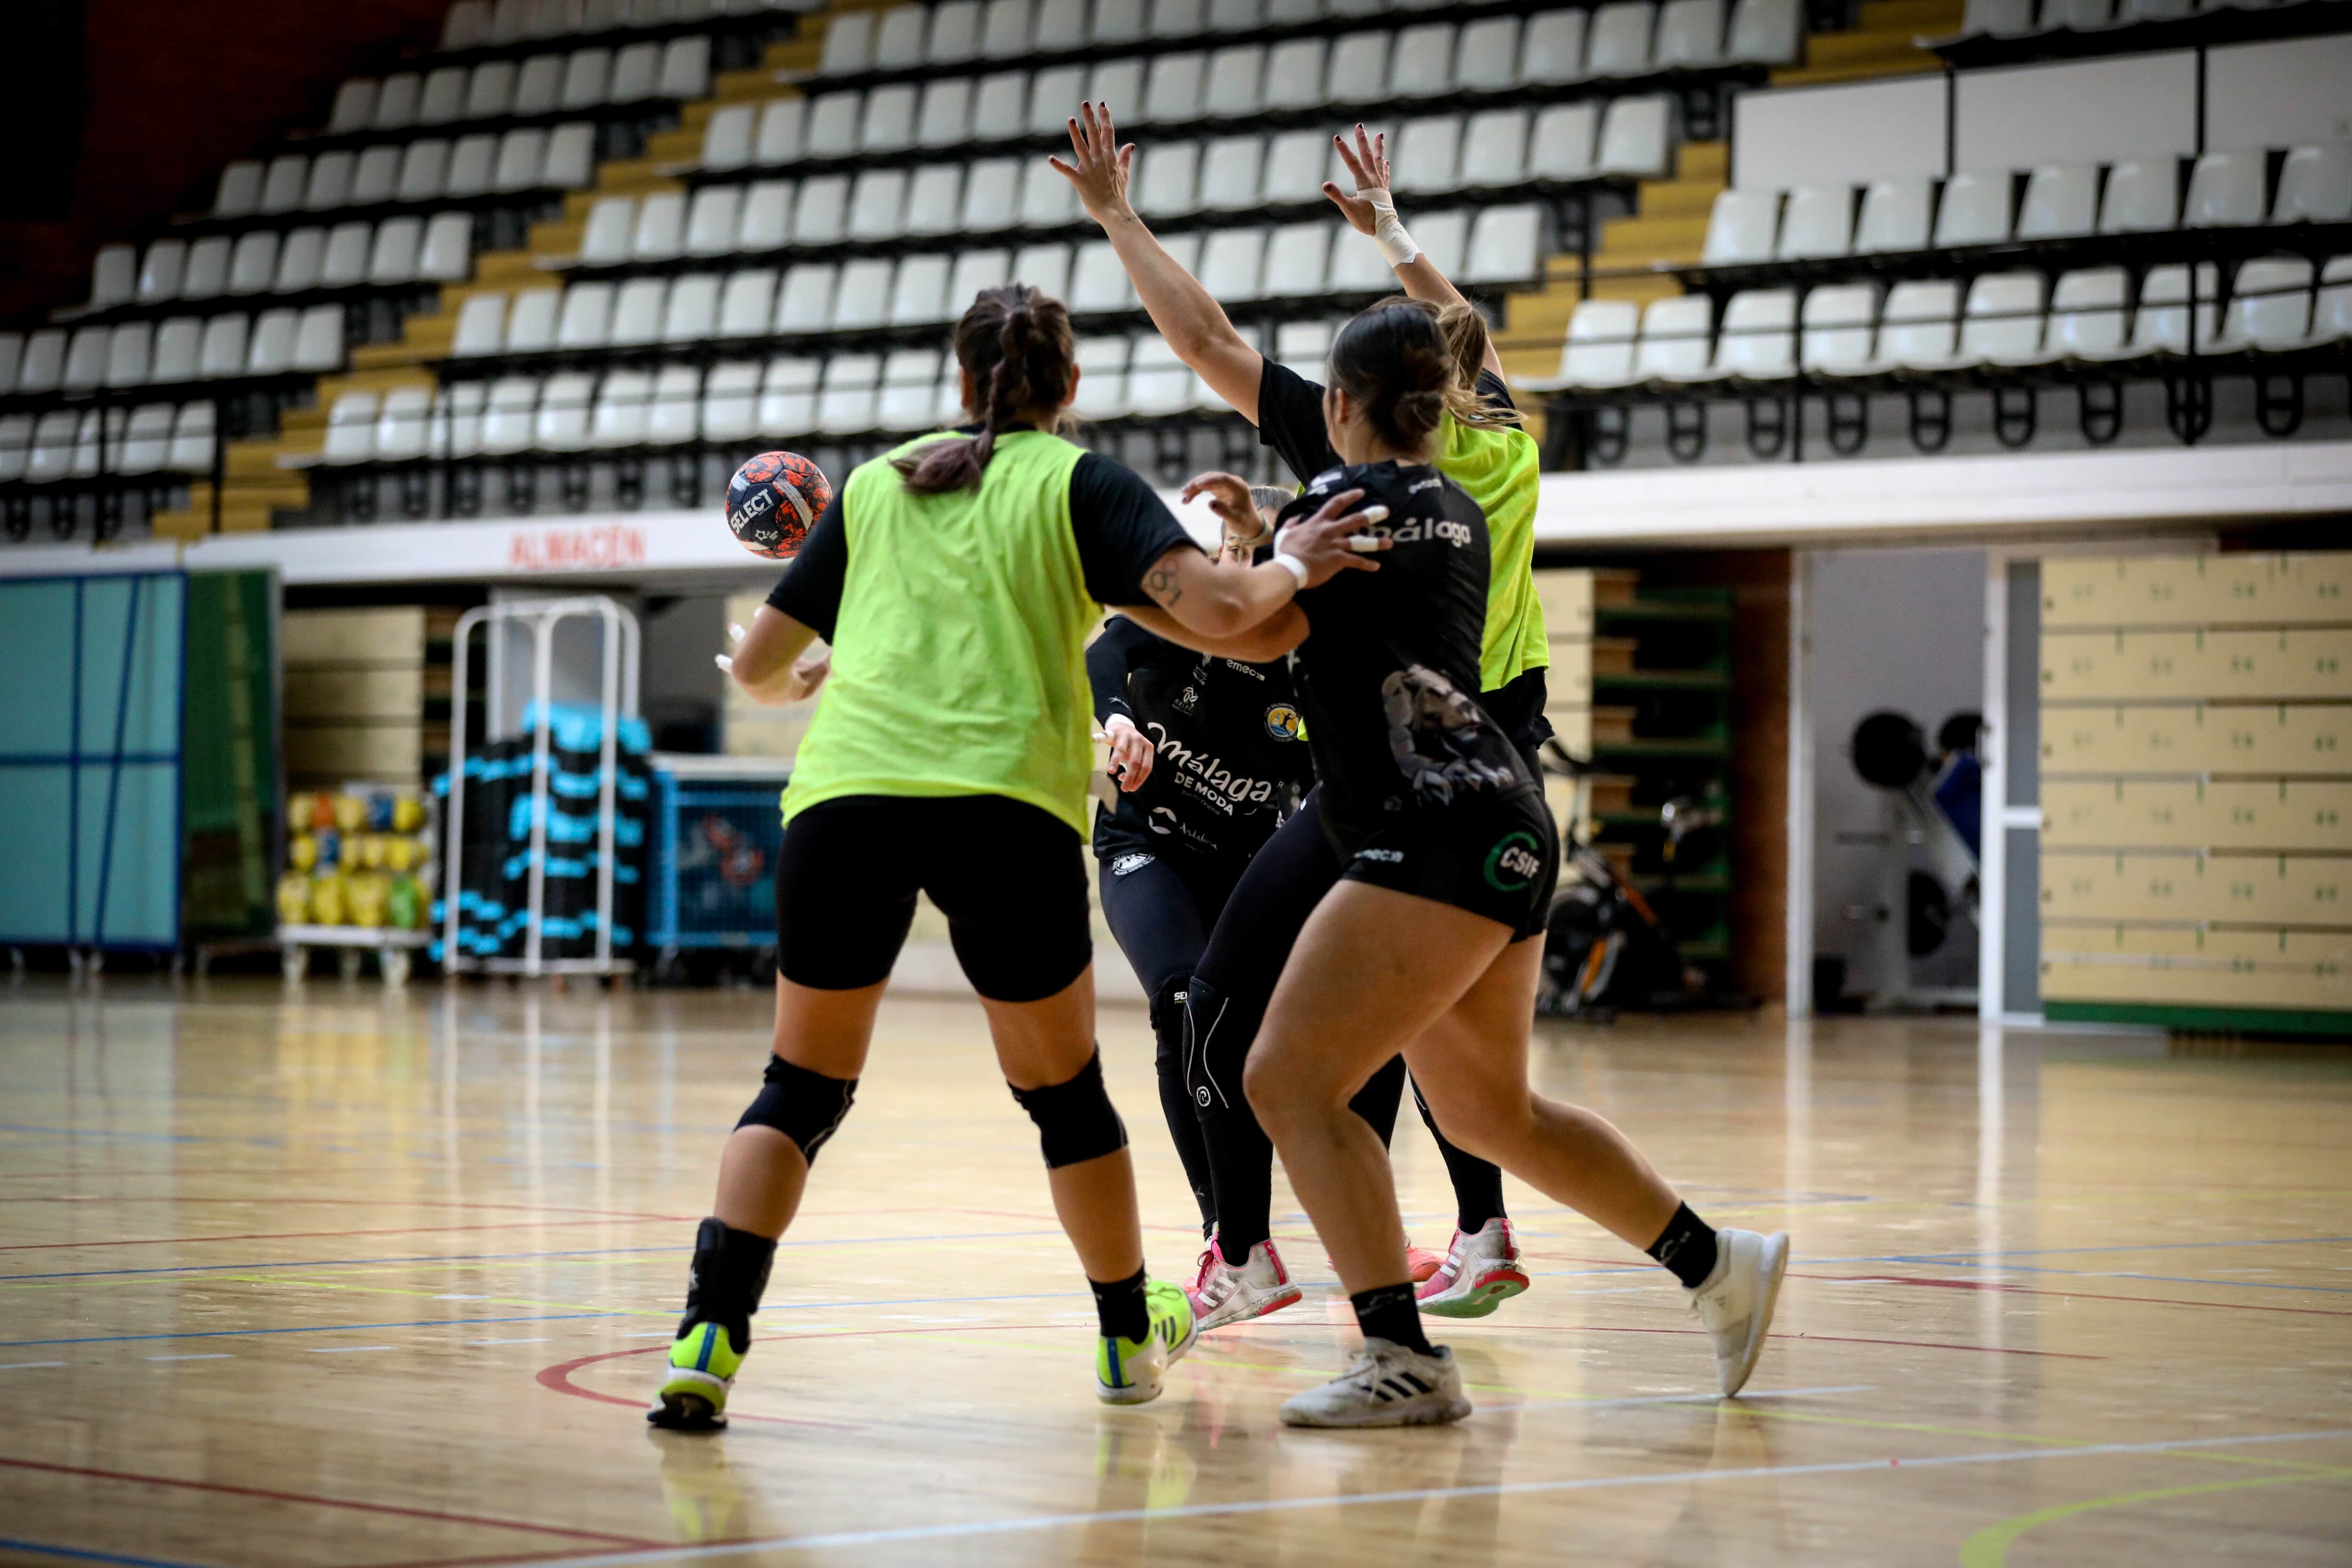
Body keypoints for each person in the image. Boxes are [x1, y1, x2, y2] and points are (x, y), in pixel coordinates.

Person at [649, 283, 1391, 1430]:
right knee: (1063, 1096)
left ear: (959, 380)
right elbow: (1233, 606)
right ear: (1071, 386)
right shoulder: (1078, 484)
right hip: (1000, 807)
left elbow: (754, 667)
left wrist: (814, 672)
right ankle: (1119, 1336)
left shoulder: (877, 482)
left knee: (799, 1086)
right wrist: (1291, 558)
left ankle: (708, 1329)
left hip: (845, 798)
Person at [1126, 300, 1790, 1428]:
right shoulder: (1459, 498)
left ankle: (1400, 1353)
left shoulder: (1336, 505)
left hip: (1422, 830)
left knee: (1287, 1079)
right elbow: (1276, 618)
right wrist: (1269, 554)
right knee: (1489, 1113)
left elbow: (1243, 626)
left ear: (1339, 405)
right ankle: (1715, 1260)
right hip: (1503, 818)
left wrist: (1126, 583)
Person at [1054, 107, 1548, 1320]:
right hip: (1502, 753)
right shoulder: (1505, 455)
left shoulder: (1350, 484)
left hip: (1401, 763)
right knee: (1446, 1040)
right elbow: (1456, 381)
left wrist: (1117, 217)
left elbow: (1202, 337)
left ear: (1342, 404)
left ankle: (1259, 1253)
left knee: (1253, 1016)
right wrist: (1394, 237)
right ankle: (1488, 1231)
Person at [1088, 486, 1314, 1291]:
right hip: (1143, 845)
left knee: (1282, 1042)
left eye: (1251, 555)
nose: (1233, 570)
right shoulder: (1185, 624)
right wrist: (1116, 720)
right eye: (1226, 554)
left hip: (1243, 866)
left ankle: (1351, 1229)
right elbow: (1103, 655)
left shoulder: (1305, 667)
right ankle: (1230, 1236)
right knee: (1180, 1002)